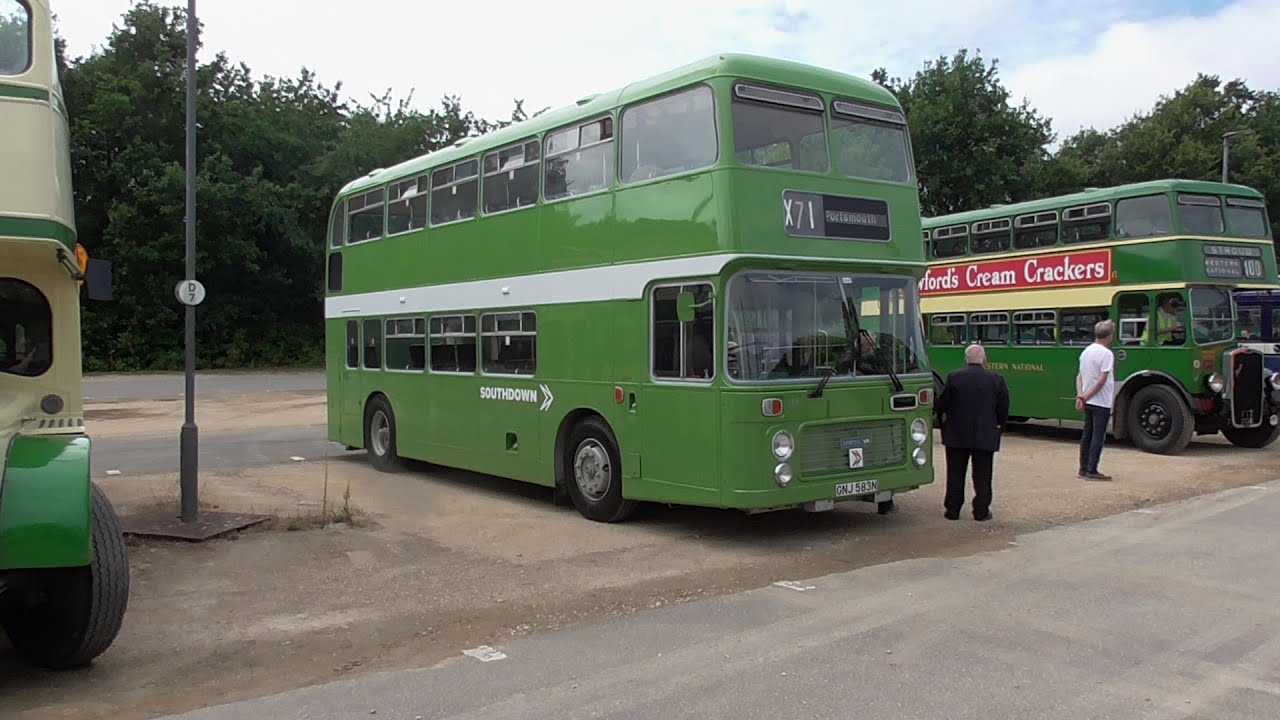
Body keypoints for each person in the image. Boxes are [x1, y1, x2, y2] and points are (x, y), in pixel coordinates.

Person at [935, 343, 1010, 521]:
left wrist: (943, 423)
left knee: (955, 474)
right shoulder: (996, 379)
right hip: (985, 434)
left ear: (966, 360)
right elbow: (1003, 407)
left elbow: (941, 404)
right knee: (983, 475)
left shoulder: (954, 377)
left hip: (957, 434)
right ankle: (981, 511)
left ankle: (952, 510)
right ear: (984, 359)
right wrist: (999, 426)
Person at [1076, 319, 1116, 480]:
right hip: (1100, 401)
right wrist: (1087, 396)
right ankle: (1092, 469)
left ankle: (1083, 468)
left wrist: (1081, 396)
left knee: (1087, 434)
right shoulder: (1106, 354)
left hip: (1088, 400)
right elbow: (1102, 380)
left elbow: (1079, 376)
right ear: (1110, 336)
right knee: (1097, 436)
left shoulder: (1086, 351)